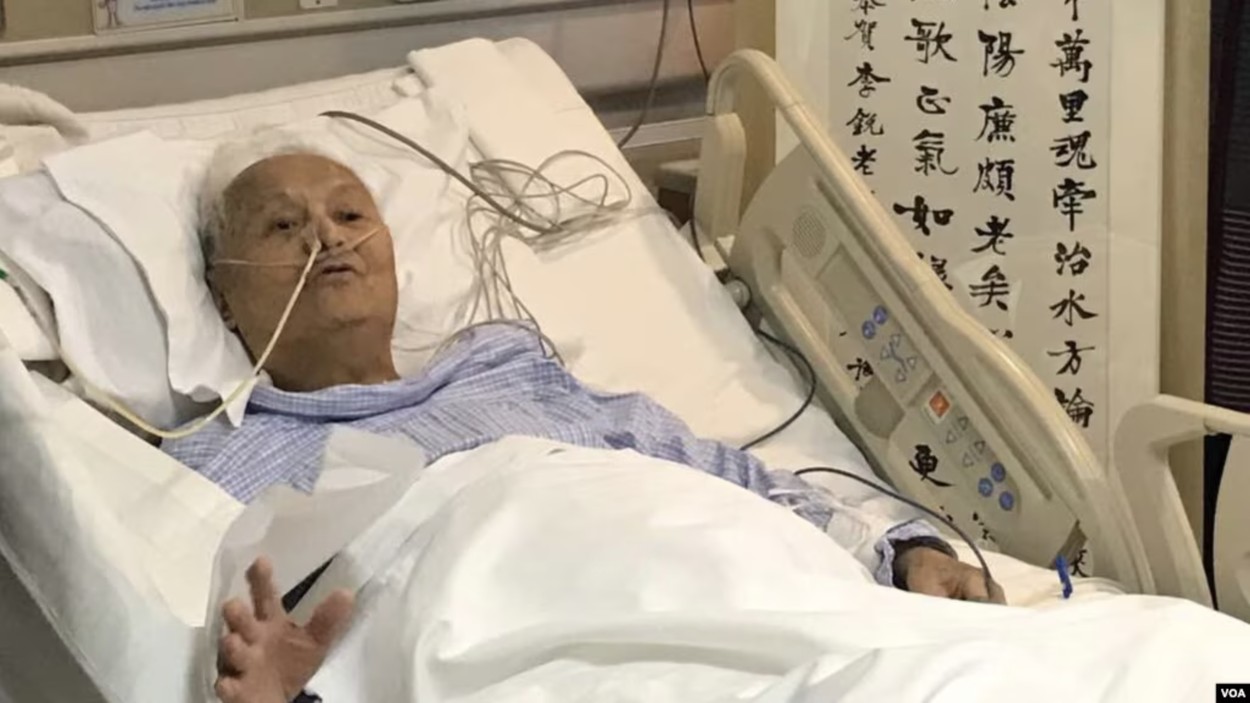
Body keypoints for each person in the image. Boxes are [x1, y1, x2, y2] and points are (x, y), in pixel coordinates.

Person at [168, 145, 1001, 702]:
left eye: (351, 216)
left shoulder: (504, 363)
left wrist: (901, 552)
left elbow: (722, 475)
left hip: (735, 581)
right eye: (283, 225)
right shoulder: (217, 459)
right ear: (224, 295)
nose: (327, 237)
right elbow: (221, 647)